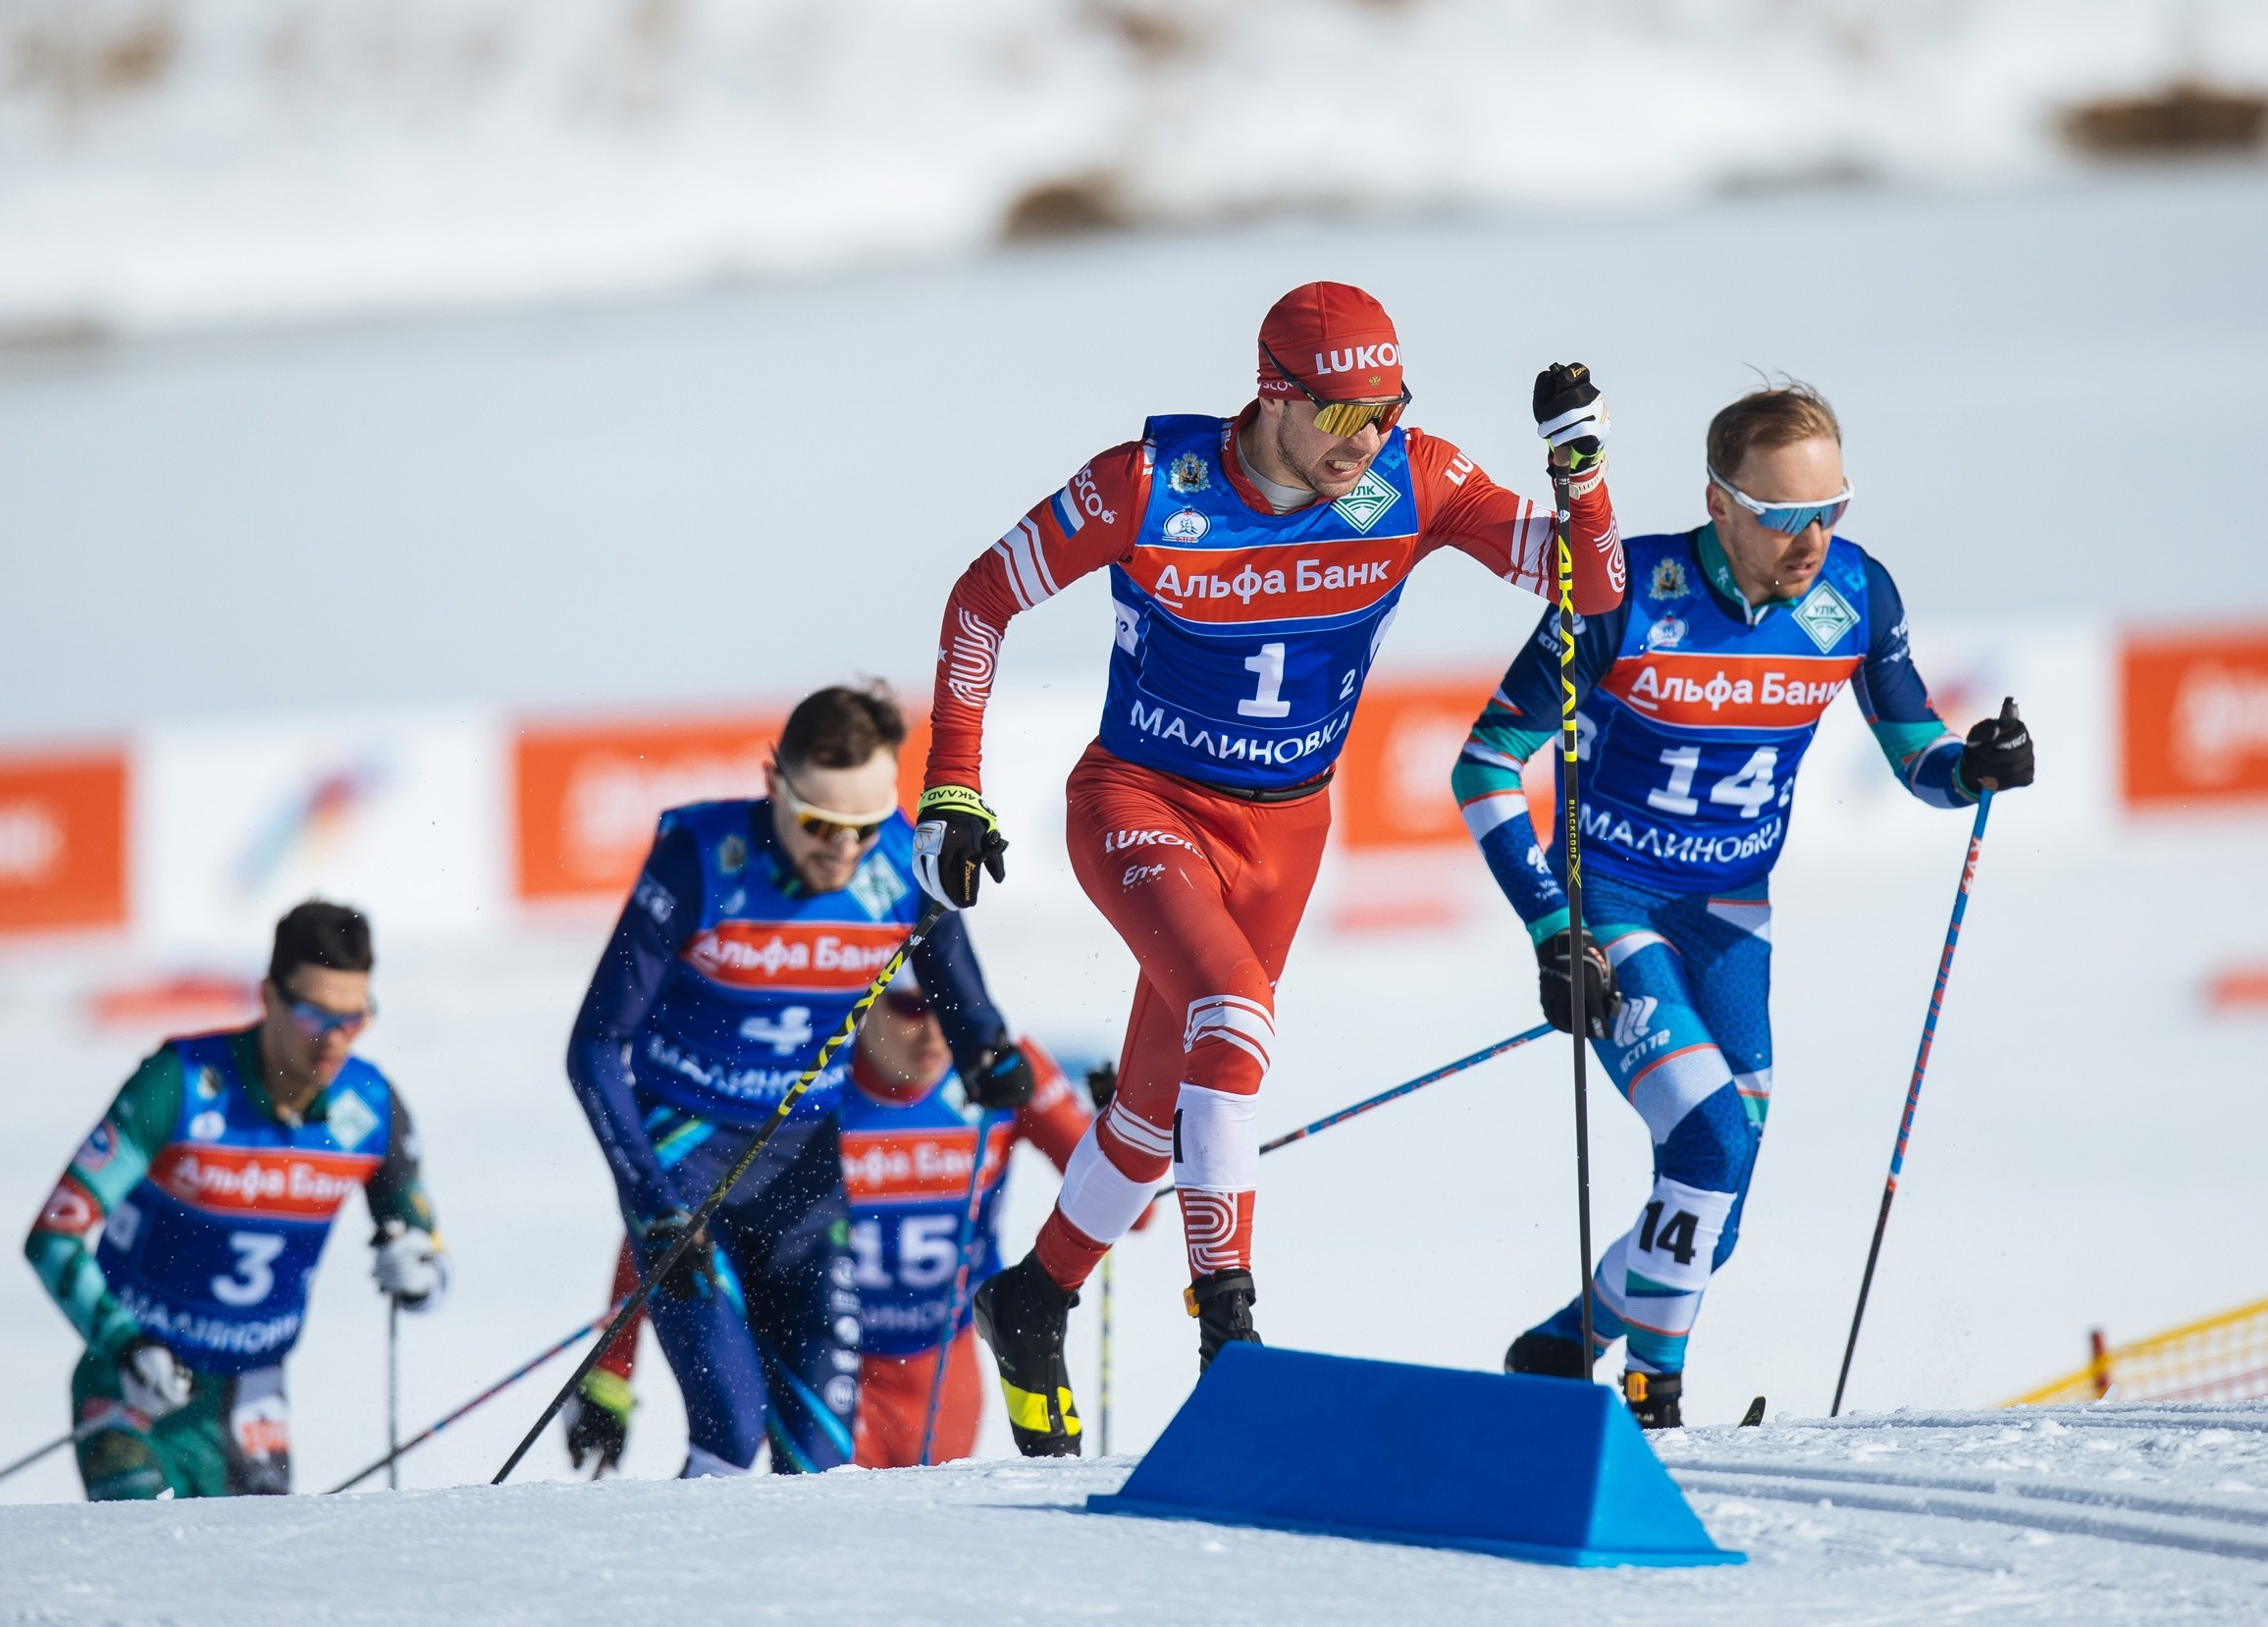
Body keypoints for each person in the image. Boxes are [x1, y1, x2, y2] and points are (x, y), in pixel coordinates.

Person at [910, 281, 1626, 1455]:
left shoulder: (1419, 478)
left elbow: (1585, 588)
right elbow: (981, 599)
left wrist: (1580, 471)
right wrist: (953, 782)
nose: (1369, 442)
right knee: (1233, 1018)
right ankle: (1229, 1330)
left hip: (1286, 830)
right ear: (1273, 396)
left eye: (1388, 412)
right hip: (1138, 801)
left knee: (1152, 1117)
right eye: (1344, 416)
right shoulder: (1148, 485)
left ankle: (1032, 1297)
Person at [1450, 382, 2035, 1428]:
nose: (1809, 539)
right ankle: (1650, 1398)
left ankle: (1559, 1346)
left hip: (1729, 917)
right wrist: (1552, 926)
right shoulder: (1622, 593)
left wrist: (1975, 768)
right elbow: (1487, 762)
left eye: (1830, 510)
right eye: (1780, 516)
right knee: (1711, 1140)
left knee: (1709, 1211)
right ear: (1719, 502)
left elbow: (1918, 757)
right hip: (1613, 907)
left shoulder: (1854, 595)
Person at [565, 683, 1030, 1477]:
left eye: (861, 827)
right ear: (772, 781)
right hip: (687, 1163)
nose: (840, 851)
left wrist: (991, 1057)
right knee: (732, 1435)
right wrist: (649, 1204)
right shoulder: (702, 859)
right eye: (818, 825)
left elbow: (959, 991)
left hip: (807, 1182)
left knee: (819, 1459)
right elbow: (597, 1047)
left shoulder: (897, 861)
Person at [24, 901, 448, 1498]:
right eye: (312, 1016)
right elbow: (54, 1237)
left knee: (254, 1587)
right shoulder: (182, 1081)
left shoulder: (370, 1107)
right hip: (134, 1384)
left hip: (254, 1397)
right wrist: (125, 1344)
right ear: (268, 996)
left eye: (354, 1019)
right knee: (154, 1575)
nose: (333, 1040)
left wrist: (420, 1271)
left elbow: (425, 1250)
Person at [840, 983, 1122, 1467]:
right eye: (911, 1007)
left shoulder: (1001, 1066)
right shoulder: (816, 1073)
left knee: (929, 1535)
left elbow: (1128, 1206)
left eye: (949, 1005)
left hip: (943, 1366)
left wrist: (1122, 1128)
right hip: (834, 1359)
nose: (932, 1032)